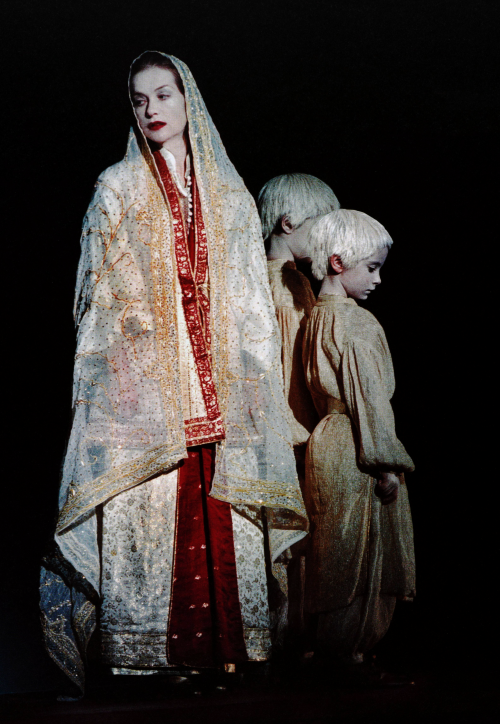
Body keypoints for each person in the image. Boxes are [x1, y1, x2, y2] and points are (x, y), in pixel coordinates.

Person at [40, 51, 307, 694]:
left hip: (221, 388)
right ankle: (151, 658)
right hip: (147, 391)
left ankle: (228, 652)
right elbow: (99, 294)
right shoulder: (118, 187)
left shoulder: (230, 195)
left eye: (163, 95)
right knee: (155, 510)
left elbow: (247, 298)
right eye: (140, 100)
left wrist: (247, 377)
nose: (152, 110)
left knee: (223, 509)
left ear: (188, 100)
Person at [302, 209, 415, 678]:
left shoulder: (313, 318)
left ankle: (332, 654)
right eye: (371, 268)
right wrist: (386, 464)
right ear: (335, 261)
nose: (379, 280)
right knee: (365, 556)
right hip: (356, 446)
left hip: (325, 442)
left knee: (332, 552)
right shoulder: (357, 324)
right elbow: (369, 400)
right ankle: (351, 655)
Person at [257, 174, 339, 649]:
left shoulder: (292, 283)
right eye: (319, 226)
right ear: (288, 223)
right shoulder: (284, 289)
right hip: (289, 431)